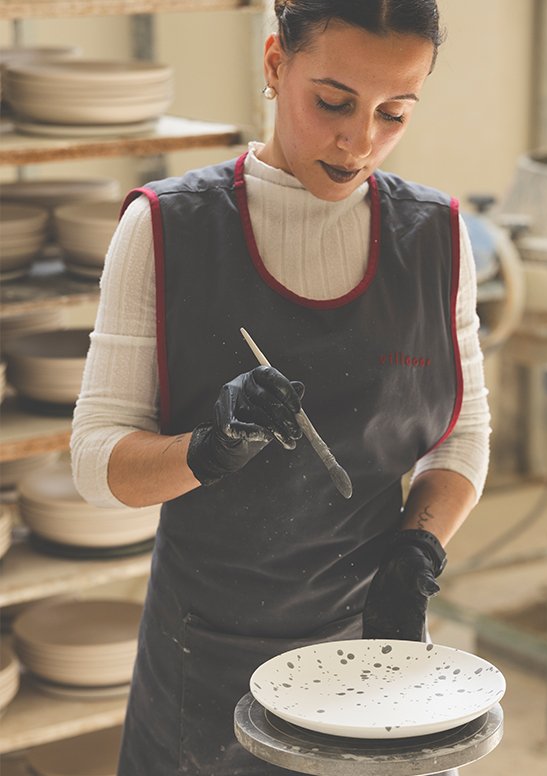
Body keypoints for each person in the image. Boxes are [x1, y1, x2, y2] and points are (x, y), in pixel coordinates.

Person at [71, 1, 490, 773]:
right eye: (333, 101)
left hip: (373, 655)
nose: (361, 140)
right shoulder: (169, 229)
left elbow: (461, 435)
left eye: (394, 112)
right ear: (274, 65)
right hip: (208, 658)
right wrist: (208, 449)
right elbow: (96, 464)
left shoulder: (434, 237)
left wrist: (416, 548)